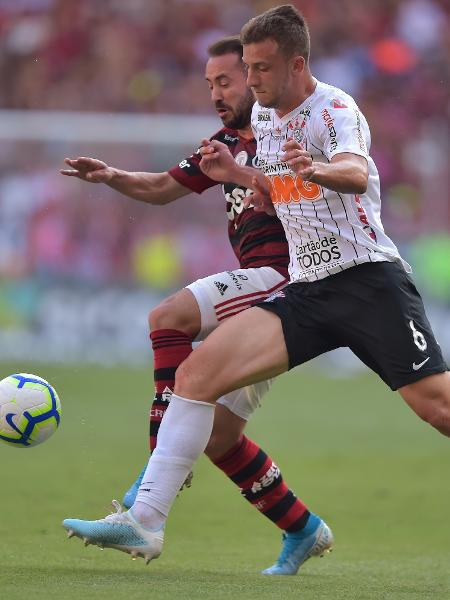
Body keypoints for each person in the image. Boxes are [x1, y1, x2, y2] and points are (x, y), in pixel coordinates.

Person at [63, 4, 450, 568]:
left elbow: (355, 171)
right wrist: (241, 176)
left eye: (261, 69)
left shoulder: (336, 109)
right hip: (308, 290)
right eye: (246, 69)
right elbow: (276, 190)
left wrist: (317, 169)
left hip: (369, 281)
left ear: (297, 65)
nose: (251, 81)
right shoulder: (264, 120)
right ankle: (144, 522)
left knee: (438, 409)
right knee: (196, 376)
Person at [61, 35, 332, 575]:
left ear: (259, 76)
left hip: (287, 278)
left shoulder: (293, 133)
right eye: (210, 83)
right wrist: (113, 176)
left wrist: (247, 173)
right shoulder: (224, 140)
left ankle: (151, 474)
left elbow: (324, 192)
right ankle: (303, 528)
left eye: (226, 80)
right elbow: (164, 186)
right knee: (218, 437)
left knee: (168, 317)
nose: (217, 92)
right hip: (267, 293)